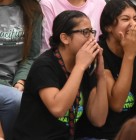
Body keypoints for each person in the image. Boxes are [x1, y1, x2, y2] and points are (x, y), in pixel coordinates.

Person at [13, 10, 108, 139]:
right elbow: (58, 108)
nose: (92, 39)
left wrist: (100, 75)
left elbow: (99, 119)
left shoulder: (86, 65)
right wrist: (79, 67)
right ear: (65, 38)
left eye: (92, 32)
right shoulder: (45, 65)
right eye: (85, 32)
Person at [76, 0, 136, 139]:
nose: (133, 24)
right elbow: (117, 104)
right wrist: (129, 56)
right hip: (97, 135)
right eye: (125, 19)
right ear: (108, 27)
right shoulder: (98, 52)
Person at [0, 0, 42, 140]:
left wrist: (20, 80)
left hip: (13, 84)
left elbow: (31, 56)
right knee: (16, 100)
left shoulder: (31, 10)